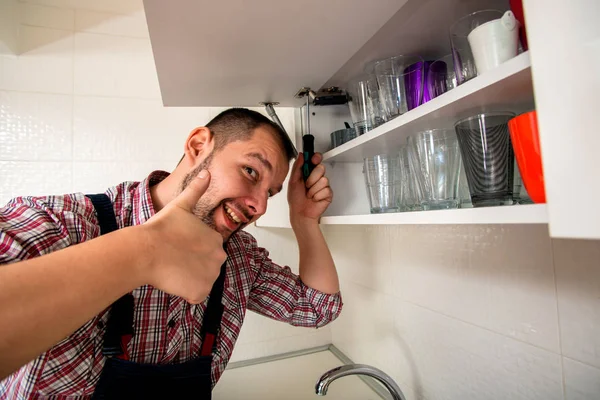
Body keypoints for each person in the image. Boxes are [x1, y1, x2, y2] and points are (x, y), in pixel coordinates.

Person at [0, 108, 342, 399]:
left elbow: (317, 307)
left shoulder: (239, 257)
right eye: (250, 171)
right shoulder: (65, 224)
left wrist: (305, 221)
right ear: (197, 146)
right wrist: (143, 251)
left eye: (271, 192)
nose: (260, 205)